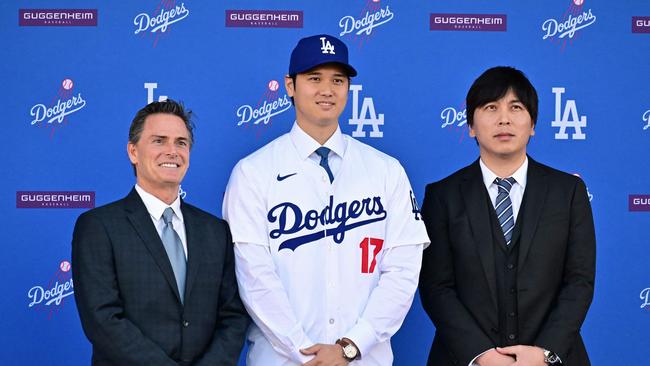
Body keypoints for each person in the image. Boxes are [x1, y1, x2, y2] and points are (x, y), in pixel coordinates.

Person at [223, 34, 429, 366]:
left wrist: (350, 347)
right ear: (290, 85)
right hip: (282, 361)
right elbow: (254, 277)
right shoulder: (252, 173)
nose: (327, 89)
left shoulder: (386, 170)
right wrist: (304, 351)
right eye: (314, 78)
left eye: (338, 80)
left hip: (364, 359)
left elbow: (402, 272)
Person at [419, 66, 596, 366]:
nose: (504, 118)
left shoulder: (568, 192)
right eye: (490, 107)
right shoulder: (442, 196)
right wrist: (479, 355)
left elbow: (579, 281)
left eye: (516, 107)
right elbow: (436, 287)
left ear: (533, 124)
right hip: (465, 359)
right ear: (471, 126)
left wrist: (545, 353)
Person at [72, 99, 249, 366]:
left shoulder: (215, 231)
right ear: (133, 151)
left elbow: (233, 315)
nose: (172, 151)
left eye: (181, 142)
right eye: (159, 141)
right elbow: (102, 319)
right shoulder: (98, 227)